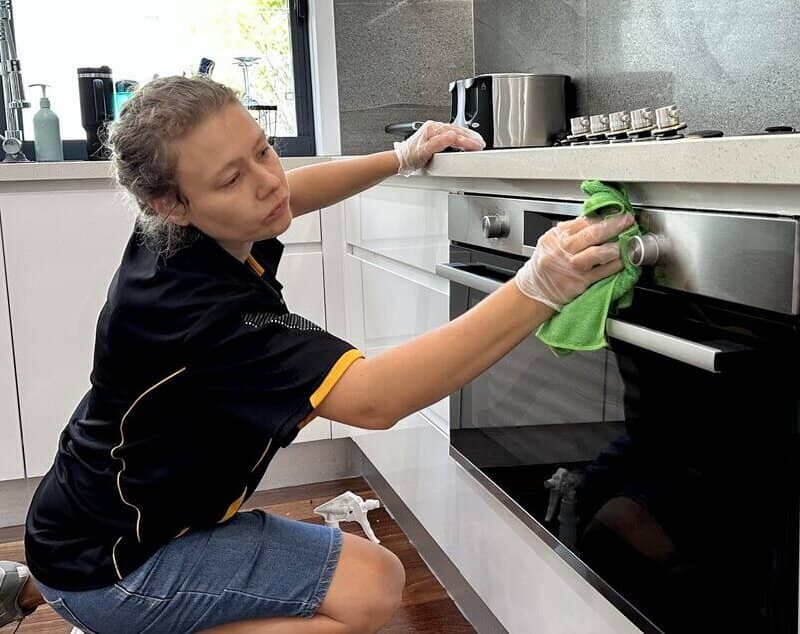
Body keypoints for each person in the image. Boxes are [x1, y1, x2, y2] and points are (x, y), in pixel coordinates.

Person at [0, 76, 632, 634]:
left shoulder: (184, 228)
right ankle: (103, 611)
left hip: (83, 526)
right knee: (372, 587)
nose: (266, 181)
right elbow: (377, 399)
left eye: (263, 149)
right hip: (117, 560)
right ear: (171, 203)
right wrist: (535, 290)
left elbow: (291, 193)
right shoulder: (202, 308)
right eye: (232, 178)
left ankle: (36, 589)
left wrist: (400, 157)